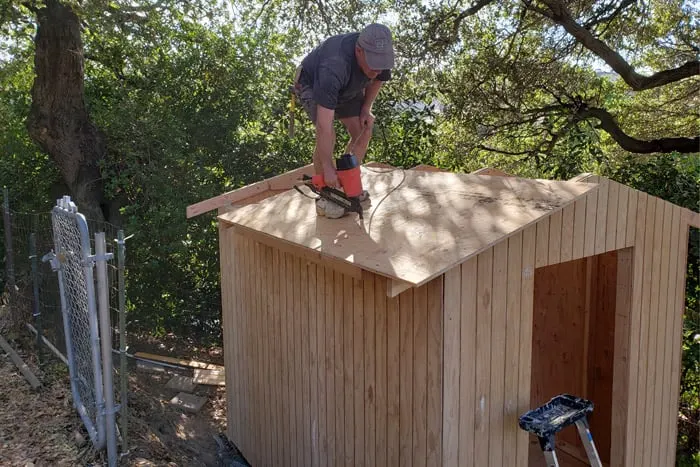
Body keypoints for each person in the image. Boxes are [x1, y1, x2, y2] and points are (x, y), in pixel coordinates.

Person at [292, 23, 396, 218]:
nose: (377, 69)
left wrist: (366, 108)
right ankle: (326, 195)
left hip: (348, 86)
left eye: (380, 64)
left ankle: (348, 185)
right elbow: (324, 126)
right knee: (329, 136)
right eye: (373, 64)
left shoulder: (379, 55)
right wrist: (328, 168)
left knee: (363, 130)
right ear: (359, 51)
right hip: (313, 84)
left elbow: (379, 79)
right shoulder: (333, 66)